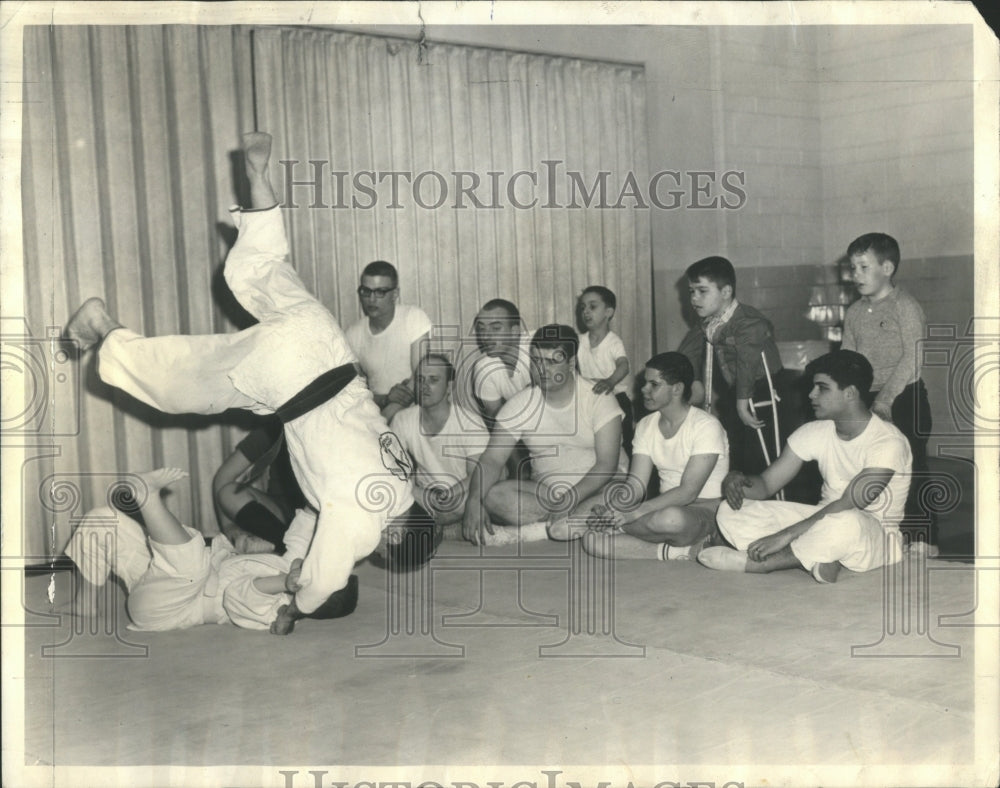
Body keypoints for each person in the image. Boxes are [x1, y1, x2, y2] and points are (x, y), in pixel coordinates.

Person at [64, 131, 438, 635]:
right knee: (182, 386)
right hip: (291, 380)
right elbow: (322, 583)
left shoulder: (401, 476)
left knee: (259, 267)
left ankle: (259, 178)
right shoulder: (367, 525)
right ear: (393, 542)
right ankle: (104, 331)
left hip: (326, 343)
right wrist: (295, 610)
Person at [698, 350, 911, 584]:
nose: (811, 394)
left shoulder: (888, 442)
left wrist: (784, 535)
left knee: (846, 523)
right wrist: (737, 482)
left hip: (873, 531)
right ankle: (821, 556)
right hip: (819, 520)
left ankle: (762, 564)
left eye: (822, 388)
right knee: (730, 510)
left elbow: (848, 504)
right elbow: (766, 485)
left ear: (850, 393)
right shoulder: (815, 432)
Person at [63, 468, 358, 634]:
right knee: (105, 520)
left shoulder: (274, 610)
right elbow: (304, 526)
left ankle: (149, 498)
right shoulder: (287, 562)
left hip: (164, 610)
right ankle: (84, 602)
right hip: (161, 580)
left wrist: (283, 583)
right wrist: (322, 501)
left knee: (192, 565)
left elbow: (237, 595)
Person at [461, 324, 628, 545]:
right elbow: (492, 459)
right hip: (548, 494)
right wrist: (473, 501)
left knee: (622, 495)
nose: (542, 370)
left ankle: (531, 532)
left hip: (600, 487)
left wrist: (570, 499)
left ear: (570, 363)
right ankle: (573, 525)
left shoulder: (599, 398)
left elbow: (607, 465)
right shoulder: (520, 403)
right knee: (492, 496)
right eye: (537, 361)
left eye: (552, 362)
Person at [561, 352, 728, 564]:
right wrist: (613, 509)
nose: (643, 389)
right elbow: (635, 485)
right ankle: (682, 551)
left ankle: (622, 526)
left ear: (677, 389)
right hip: (660, 510)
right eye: (645, 383)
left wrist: (631, 515)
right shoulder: (645, 425)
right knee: (593, 541)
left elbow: (688, 492)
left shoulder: (706, 426)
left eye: (653, 384)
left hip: (704, 511)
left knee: (672, 519)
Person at [841, 232, 936, 554]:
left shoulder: (905, 307)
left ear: (888, 268)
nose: (855, 275)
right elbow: (847, 359)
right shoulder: (853, 312)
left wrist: (885, 399)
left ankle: (922, 538)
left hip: (905, 397)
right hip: (868, 398)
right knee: (867, 466)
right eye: (852, 268)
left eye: (863, 267)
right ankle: (873, 535)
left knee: (912, 466)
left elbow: (913, 356)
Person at [676, 256, 788, 476]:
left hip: (763, 389)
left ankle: (770, 497)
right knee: (737, 451)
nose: (694, 298)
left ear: (726, 292)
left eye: (702, 291)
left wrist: (741, 404)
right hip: (736, 391)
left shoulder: (748, 322)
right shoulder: (710, 321)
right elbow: (688, 351)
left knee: (763, 454)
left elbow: (747, 364)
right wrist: (695, 381)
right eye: (691, 291)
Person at [390, 353, 490, 529]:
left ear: (449, 386)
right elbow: (395, 469)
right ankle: (443, 527)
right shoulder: (402, 419)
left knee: (483, 497)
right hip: (424, 496)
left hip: (460, 495)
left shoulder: (470, 422)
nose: (424, 386)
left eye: (433, 380)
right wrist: (419, 493)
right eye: (420, 379)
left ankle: (438, 525)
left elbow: (478, 474)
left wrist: (451, 494)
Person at [345, 260, 432, 422]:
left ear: (395, 294)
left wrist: (382, 422)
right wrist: (384, 401)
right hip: (374, 413)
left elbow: (421, 377)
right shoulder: (353, 334)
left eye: (380, 292)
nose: (371, 299)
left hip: (414, 416)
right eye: (366, 291)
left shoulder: (413, 317)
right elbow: (354, 391)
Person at [212, 416, 307, 555]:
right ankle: (286, 548)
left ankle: (293, 549)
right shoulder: (275, 428)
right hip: (282, 515)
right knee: (229, 493)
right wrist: (228, 527)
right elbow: (223, 477)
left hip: (322, 515)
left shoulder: (337, 424)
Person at [576, 285, 634, 451]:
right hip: (591, 399)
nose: (586, 311)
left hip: (616, 397)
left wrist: (610, 382)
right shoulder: (579, 341)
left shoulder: (613, 342)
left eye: (592, 307)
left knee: (624, 443)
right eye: (583, 308)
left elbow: (624, 366)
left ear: (608, 312)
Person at [467, 299, 532, 424]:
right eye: (481, 329)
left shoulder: (538, 348)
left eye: (495, 328)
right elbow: (495, 421)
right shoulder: (483, 367)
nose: (485, 336)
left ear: (514, 331)